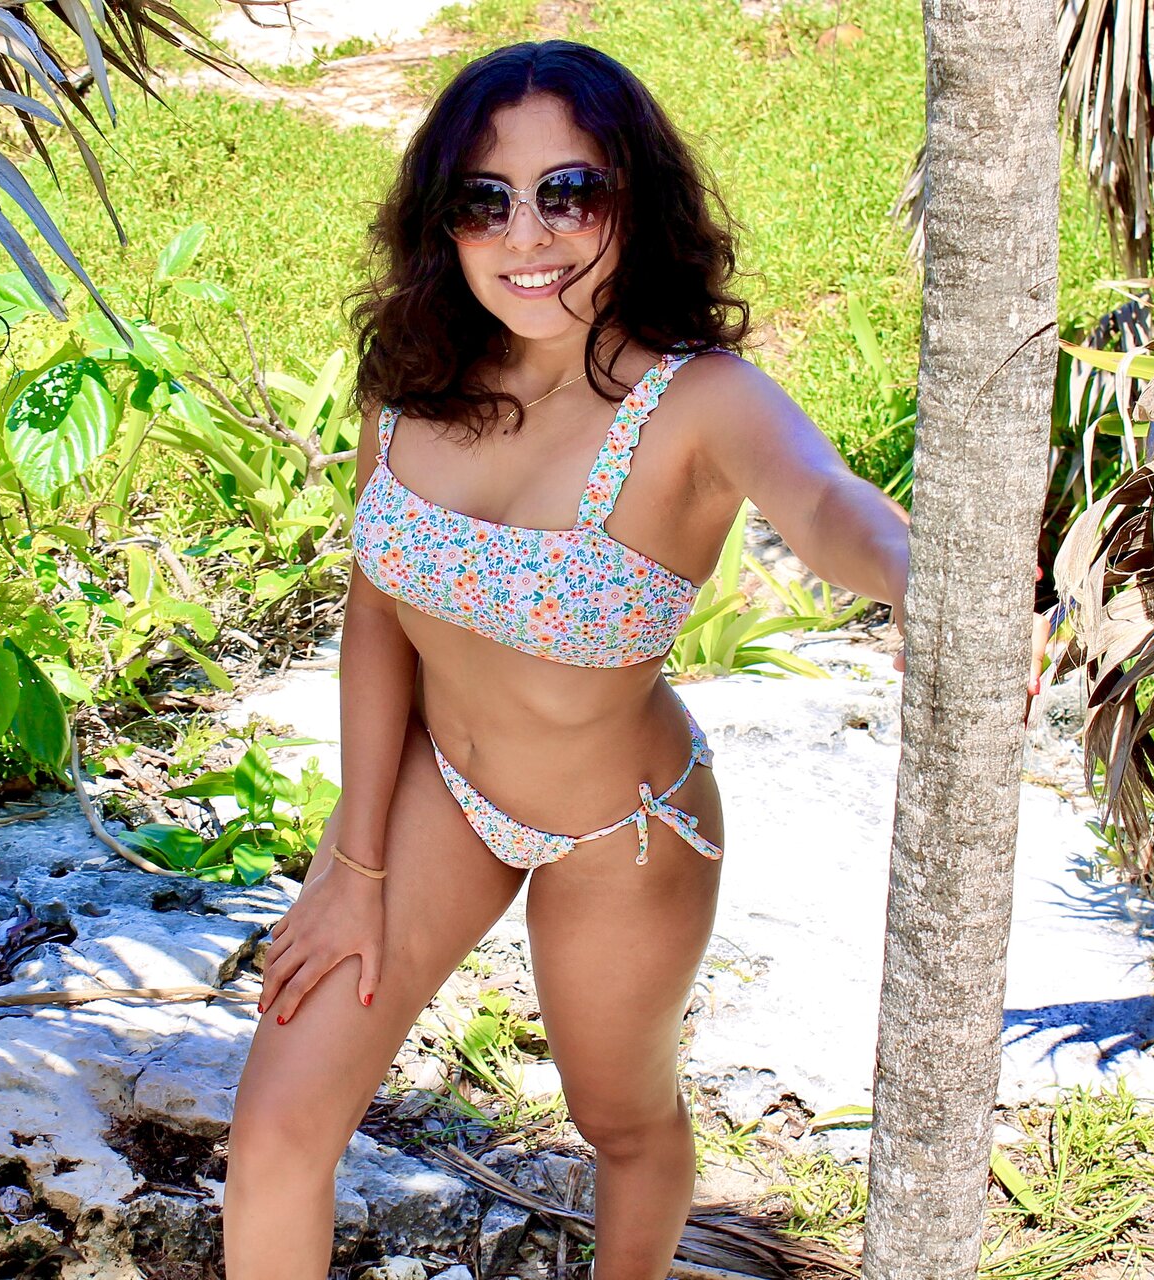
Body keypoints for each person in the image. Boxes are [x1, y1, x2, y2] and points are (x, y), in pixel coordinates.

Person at [223, 39, 919, 1279]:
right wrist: (354, 859)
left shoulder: (699, 399)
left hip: (623, 831)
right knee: (278, 1125)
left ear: (633, 198)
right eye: (484, 200)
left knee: (621, 1121)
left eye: (570, 192)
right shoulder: (415, 377)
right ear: (442, 220)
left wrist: (929, 577)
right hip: (440, 791)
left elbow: (824, 501)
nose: (526, 234)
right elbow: (377, 611)